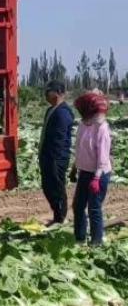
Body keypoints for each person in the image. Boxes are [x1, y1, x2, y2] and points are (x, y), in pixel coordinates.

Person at [71, 90, 112, 247]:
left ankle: (96, 242)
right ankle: (80, 239)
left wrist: (96, 178)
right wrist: (75, 168)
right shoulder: (83, 125)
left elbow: (103, 156)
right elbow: (80, 148)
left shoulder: (101, 128)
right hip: (85, 171)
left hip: (99, 174)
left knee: (94, 208)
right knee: (78, 205)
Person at [38, 81, 75, 226]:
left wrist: (53, 159)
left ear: (58, 93)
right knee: (48, 187)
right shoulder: (51, 110)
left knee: (57, 187)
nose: (46, 94)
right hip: (47, 157)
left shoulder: (63, 113)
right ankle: (57, 215)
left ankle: (61, 218)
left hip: (56, 158)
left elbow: (58, 140)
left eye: (49, 91)